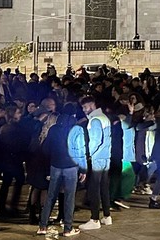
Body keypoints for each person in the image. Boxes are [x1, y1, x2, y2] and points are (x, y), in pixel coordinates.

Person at [39, 112, 80, 238]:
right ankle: (68, 228)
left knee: (51, 196)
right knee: (69, 197)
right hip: (71, 167)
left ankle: (42, 226)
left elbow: (46, 148)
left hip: (56, 165)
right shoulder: (76, 130)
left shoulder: (54, 129)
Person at [75, 96, 112, 230]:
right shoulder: (104, 118)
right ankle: (107, 216)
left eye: (85, 107)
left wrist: (88, 155)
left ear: (91, 105)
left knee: (93, 188)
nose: (84, 110)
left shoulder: (95, 120)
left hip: (97, 158)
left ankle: (94, 219)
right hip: (106, 157)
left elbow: (95, 141)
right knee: (103, 187)